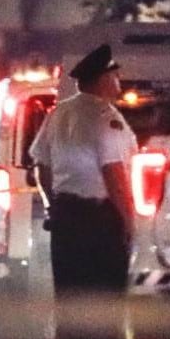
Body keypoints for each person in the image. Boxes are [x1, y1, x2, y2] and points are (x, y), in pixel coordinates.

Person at [27, 44, 137, 324]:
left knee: (69, 301)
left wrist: (53, 206)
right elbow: (115, 175)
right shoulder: (105, 117)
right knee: (105, 303)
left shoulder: (58, 114)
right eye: (115, 76)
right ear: (103, 80)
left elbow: (41, 167)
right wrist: (130, 222)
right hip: (100, 223)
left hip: (65, 220)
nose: (118, 82)